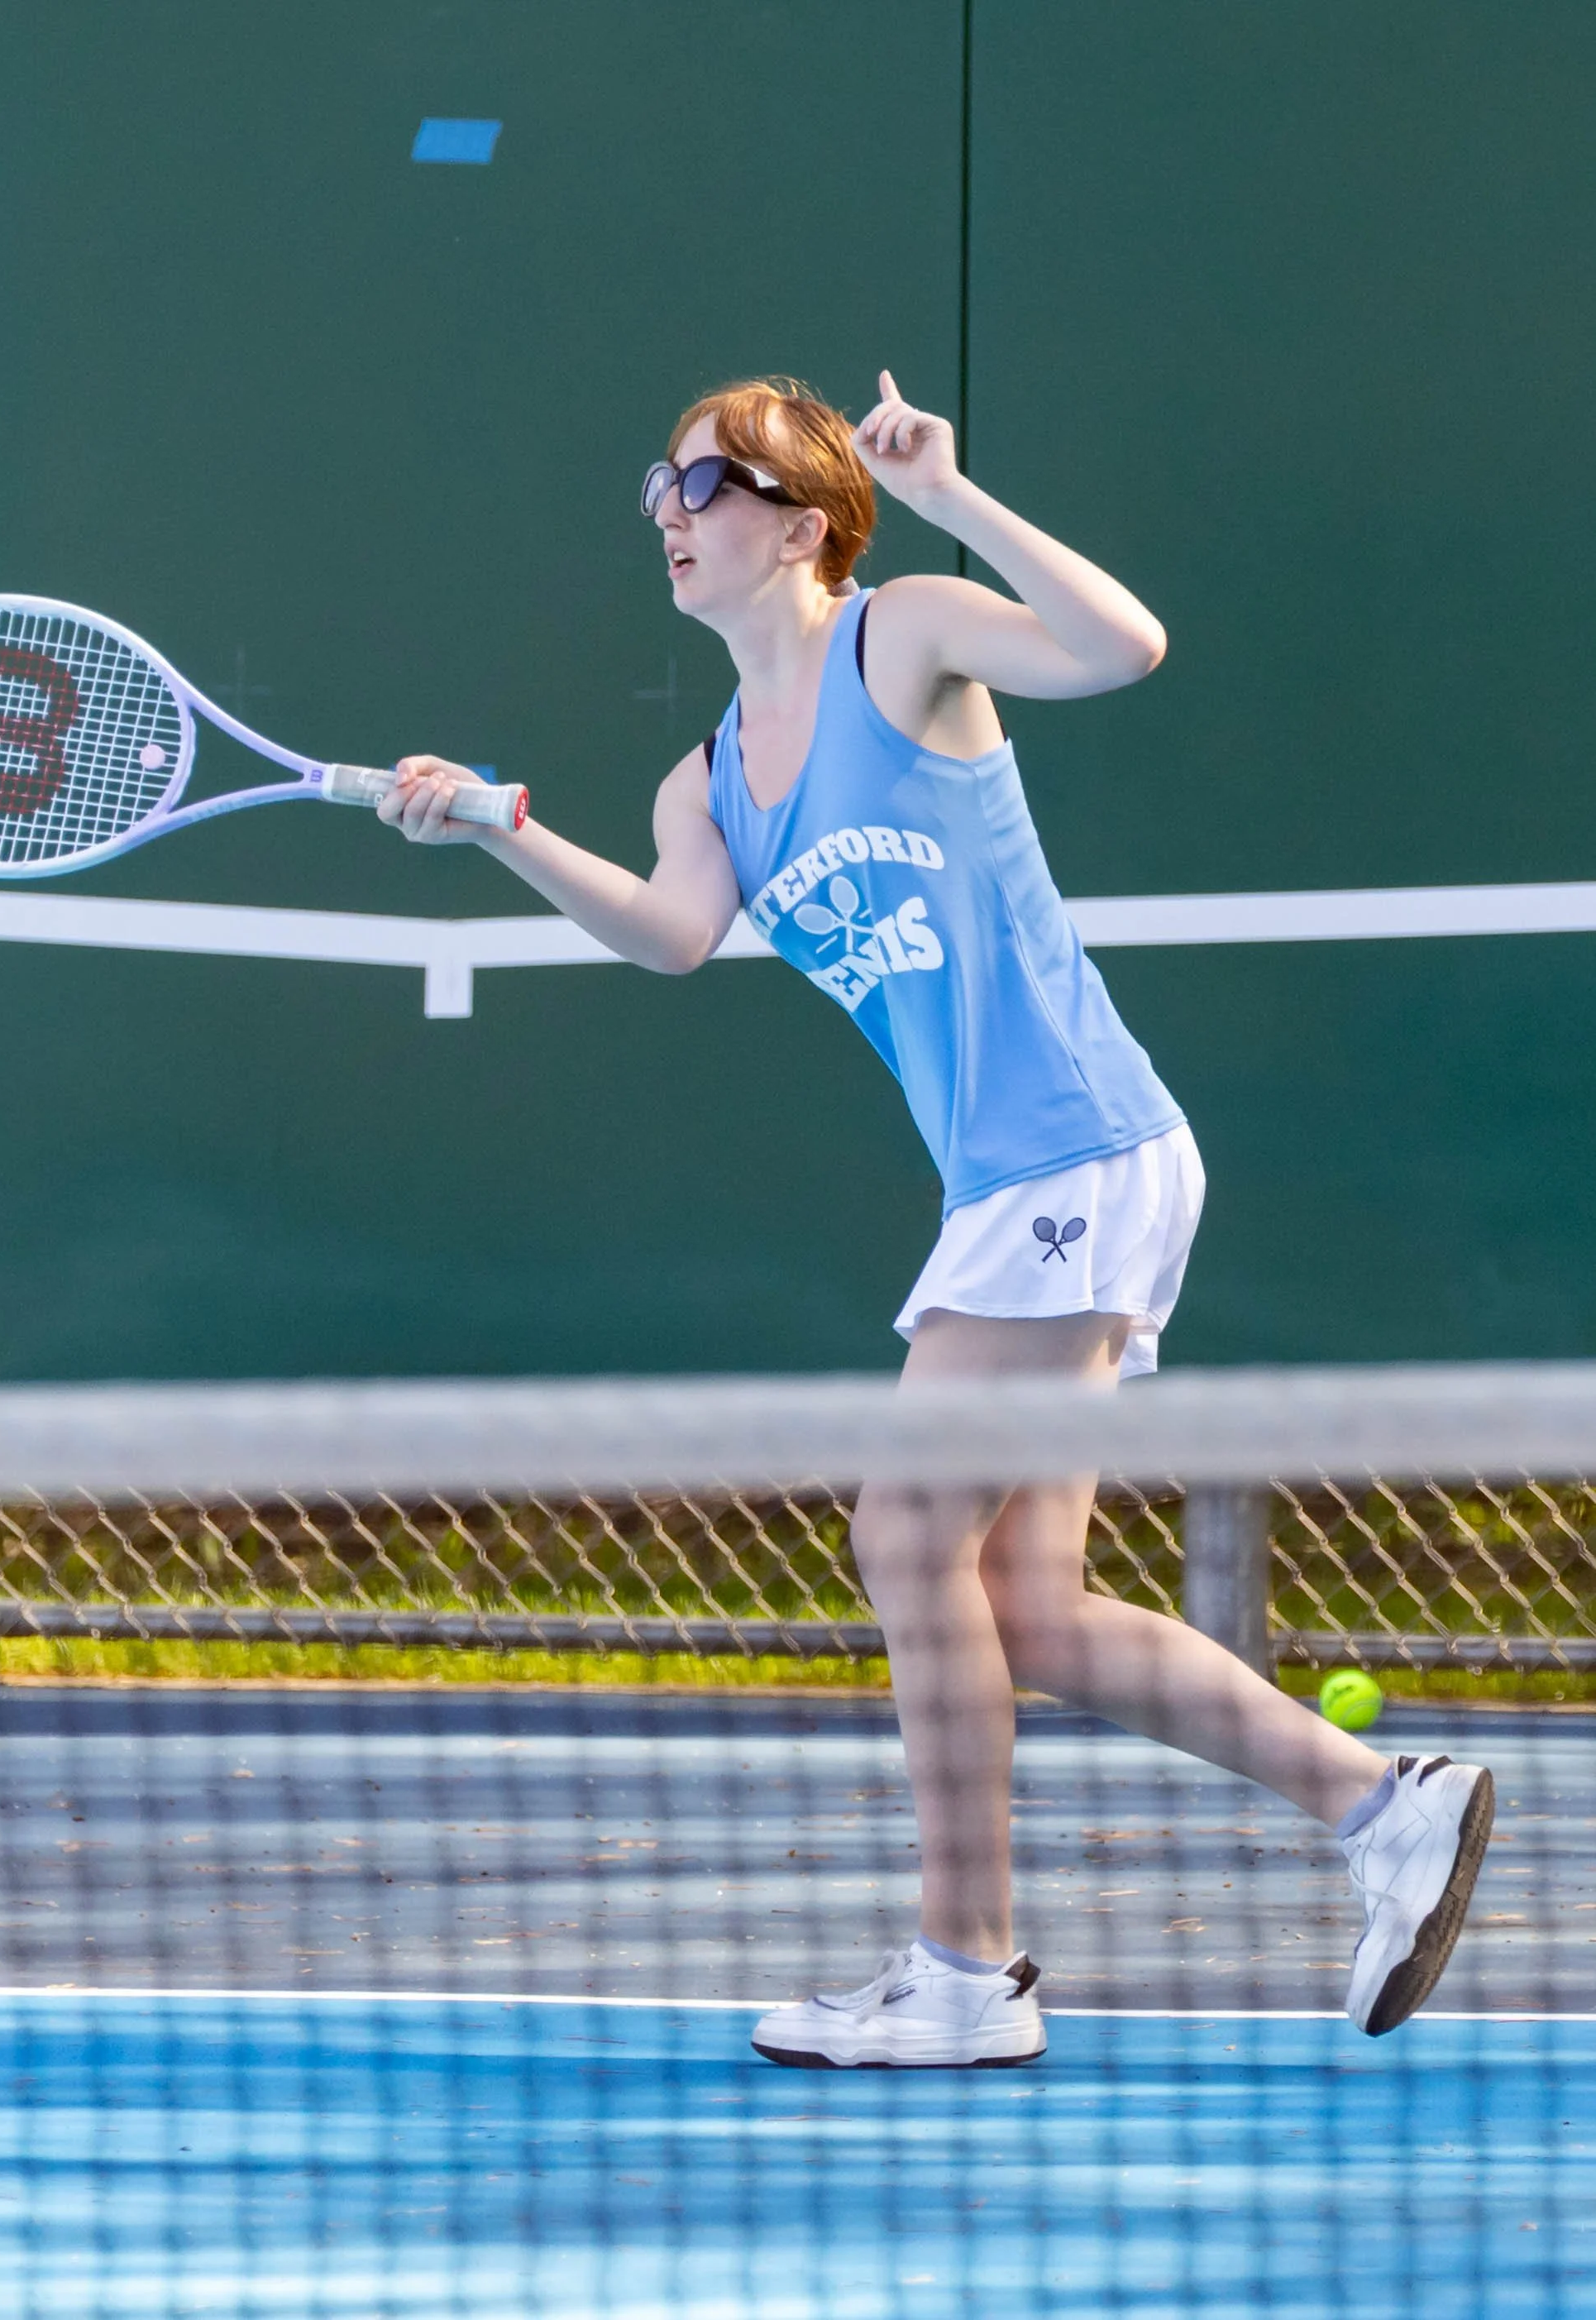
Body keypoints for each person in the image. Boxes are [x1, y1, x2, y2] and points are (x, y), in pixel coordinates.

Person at [376, 371, 1494, 2066]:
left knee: (902, 1533)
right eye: (658, 486)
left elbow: (1126, 645)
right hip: (1015, 1189)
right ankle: (1381, 1808)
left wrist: (957, 497)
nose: (668, 511)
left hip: (1078, 1153)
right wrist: (504, 829)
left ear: (807, 515)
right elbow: (674, 935)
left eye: (704, 479)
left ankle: (968, 1975)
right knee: (1024, 1608)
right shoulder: (710, 785)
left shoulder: (900, 637)